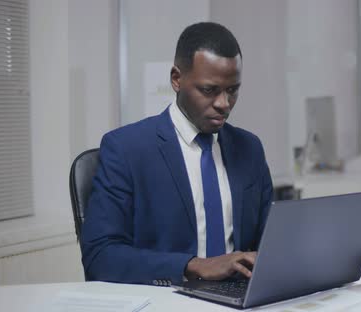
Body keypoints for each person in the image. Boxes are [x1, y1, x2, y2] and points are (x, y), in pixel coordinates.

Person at [80, 22, 273, 286]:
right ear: (176, 79)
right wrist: (194, 266)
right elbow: (99, 257)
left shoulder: (249, 148)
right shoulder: (127, 149)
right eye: (209, 90)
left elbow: (269, 243)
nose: (223, 104)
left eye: (232, 90)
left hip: (240, 298)